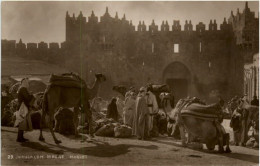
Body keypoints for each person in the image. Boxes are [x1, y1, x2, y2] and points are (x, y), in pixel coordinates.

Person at [14, 78, 35, 142]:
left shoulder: (21, 88)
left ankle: (21, 137)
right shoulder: (23, 89)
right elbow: (27, 98)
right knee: (22, 122)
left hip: (21, 107)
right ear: (24, 83)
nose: (27, 83)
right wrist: (32, 95)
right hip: (23, 107)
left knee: (22, 122)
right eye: (26, 82)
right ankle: (19, 138)